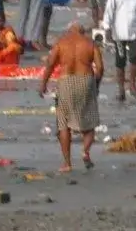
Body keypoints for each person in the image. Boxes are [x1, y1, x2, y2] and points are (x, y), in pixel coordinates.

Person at [39, 19, 103, 174]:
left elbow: (50, 64)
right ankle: (85, 152)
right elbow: (100, 68)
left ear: (69, 30)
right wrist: (96, 85)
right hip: (86, 80)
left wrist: (43, 85)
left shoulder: (61, 43)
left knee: (64, 124)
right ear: (82, 31)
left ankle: (67, 163)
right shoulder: (90, 43)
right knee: (90, 120)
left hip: (65, 82)